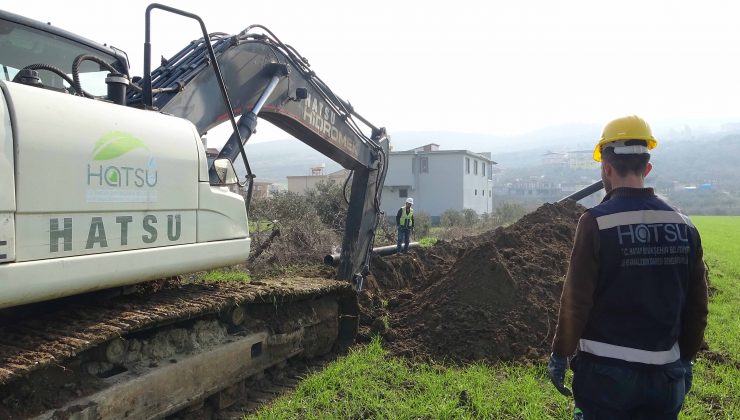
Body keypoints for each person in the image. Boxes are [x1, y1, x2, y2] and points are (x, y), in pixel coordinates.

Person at [547, 115, 709, 419]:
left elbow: (576, 302)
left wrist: (560, 352)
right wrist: (685, 359)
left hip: (605, 379)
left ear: (606, 168)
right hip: (665, 379)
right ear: (646, 167)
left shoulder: (595, 222)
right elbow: (697, 307)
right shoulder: (684, 225)